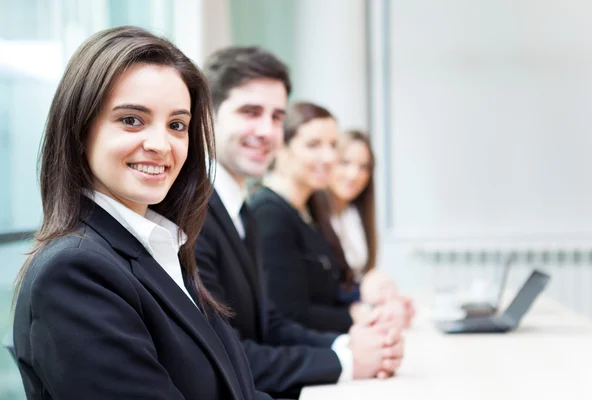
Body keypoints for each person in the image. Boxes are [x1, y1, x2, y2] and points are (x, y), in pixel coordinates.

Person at [12, 26, 274, 400]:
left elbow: (238, 390)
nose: (160, 144)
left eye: (177, 125)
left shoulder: (162, 246)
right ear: (80, 128)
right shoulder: (74, 272)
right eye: (131, 120)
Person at [195, 47, 404, 399]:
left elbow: (270, 326)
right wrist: (347, 362)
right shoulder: (194, 218)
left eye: (277, 117)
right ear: (208, 115)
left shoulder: (242, 211)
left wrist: (347, 343)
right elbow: (223, 356)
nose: (266, 130)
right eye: (250, 112)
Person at [248, 102, 401, 334]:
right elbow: (289, 314)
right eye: (313, 145)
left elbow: (327, 293)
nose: (329, 157)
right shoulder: (269, 214)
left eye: (333, 146)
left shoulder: (309, 209)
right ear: (281, 146)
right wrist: (357, 316)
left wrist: (373, 304)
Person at [328, 130, 415, 327]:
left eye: (363, 167)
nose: (354, 174)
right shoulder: (315, 219)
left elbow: (358, 279)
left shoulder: (353, 215)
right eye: (345, 163)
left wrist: (386, 298)